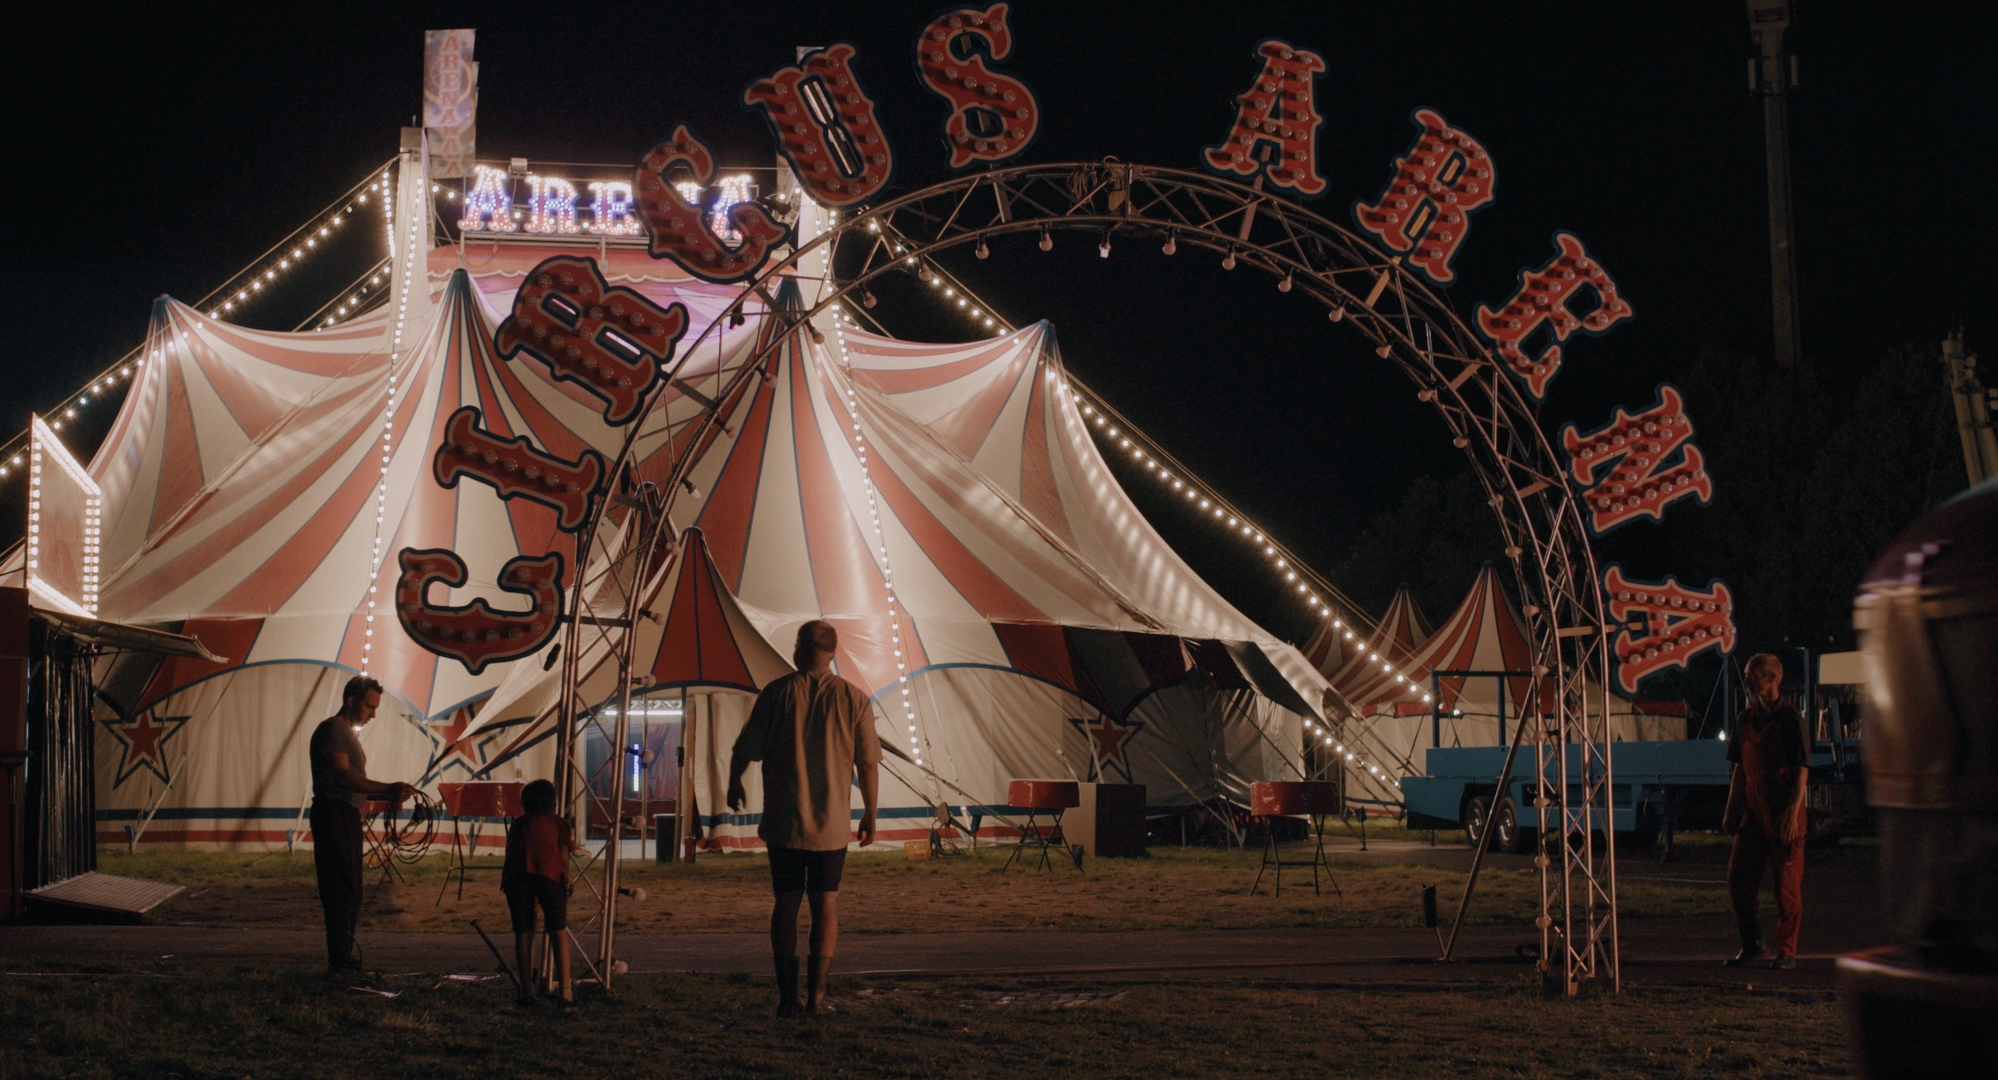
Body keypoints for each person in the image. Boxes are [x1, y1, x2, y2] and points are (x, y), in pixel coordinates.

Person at [727, 620, 881, 1017]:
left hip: (784, 821)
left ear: (798, 649)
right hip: (831, 824)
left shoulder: (777, 693)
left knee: (786, 903)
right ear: (834, 651)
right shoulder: (854, 698)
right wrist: (870, 813)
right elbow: (868, 763)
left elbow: (745, 748)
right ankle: (817, 997)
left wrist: (734, 783)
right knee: (826, 904)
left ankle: (786, 998)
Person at [307, 675, 416, 976]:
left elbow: (348, 780)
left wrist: (386, 793)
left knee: (350, 889)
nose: (373, 714)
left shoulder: (344, 733)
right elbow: (343, 776)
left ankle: (342, 956)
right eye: (369, 707)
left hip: (343, 815)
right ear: (351, 701)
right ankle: (339, 960)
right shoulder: (332, 731)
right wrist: (386, 789)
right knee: (342, 888)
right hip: (335, 815)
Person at [1722, 652, 1813, 969]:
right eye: (1747, 675)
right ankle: (1753, 946)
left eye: (1753, 675)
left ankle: (1787, 951)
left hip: (1782, 812)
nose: (1747, 681)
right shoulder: (1745, 719)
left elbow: (1802, 770)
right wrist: (1732, 805)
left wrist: (1791, 815)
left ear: (1772, 679)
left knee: (1785, 886)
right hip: (1754, 813)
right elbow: (1739, 768)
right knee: (1739, 879)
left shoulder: (1790, 719)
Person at [502, 778, 581, 1007]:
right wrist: (564, 882)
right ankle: (565, 991)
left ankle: (527, 990)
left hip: (518, 878)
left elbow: (512, 855)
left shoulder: (518, 824)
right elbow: (563, 857)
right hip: (550, 876)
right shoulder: (560, 824)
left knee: (524, 931)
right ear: (552, 803)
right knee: (558, 930)